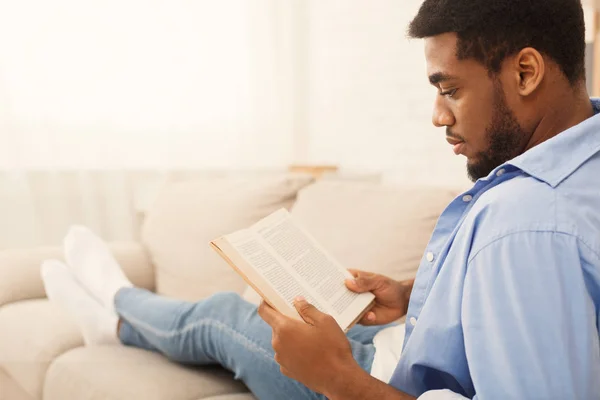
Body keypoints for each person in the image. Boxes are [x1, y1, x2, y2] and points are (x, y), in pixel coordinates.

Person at [41, 0, 600, 398]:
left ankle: (114, 309)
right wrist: (413, 294)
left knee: (224, 316)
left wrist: (339, 380)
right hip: (398, 346)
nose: (438, 115)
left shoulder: (527, 226)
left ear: (526, 71)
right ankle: (116, 309)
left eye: (450, 89)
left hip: (373, 381)